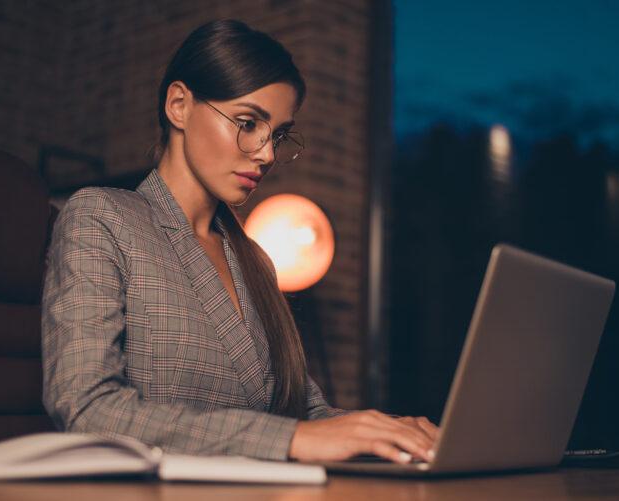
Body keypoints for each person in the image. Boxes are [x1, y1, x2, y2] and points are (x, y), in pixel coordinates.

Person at [41, 19, 437, 465]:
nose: (267, 153)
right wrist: (289, 441)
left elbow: (307, 413)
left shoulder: (257, 260)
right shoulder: (103, 217)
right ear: (179, 105)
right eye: (248, 123)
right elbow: (86, 407)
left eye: (279, 134)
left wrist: (387, 431)